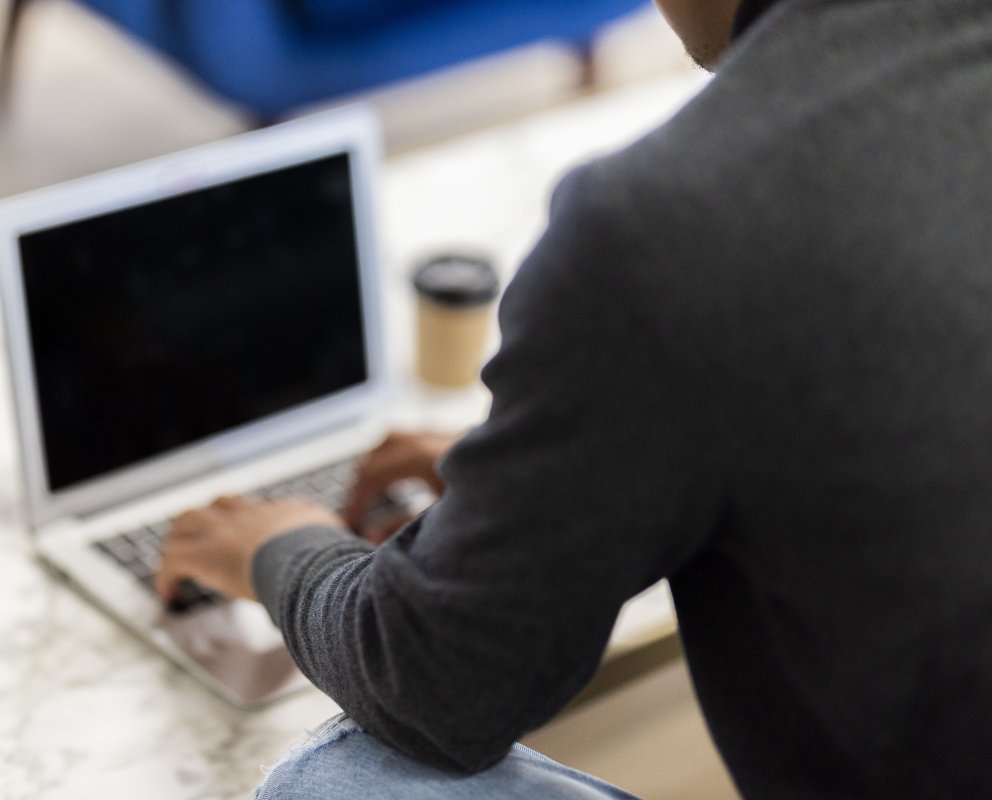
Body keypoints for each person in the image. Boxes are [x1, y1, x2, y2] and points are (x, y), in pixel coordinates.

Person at [156, 0, 992, 795]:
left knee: (338, 780)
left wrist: (286, 546)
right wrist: (563, 480)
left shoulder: (666, 220)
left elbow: (438, 687)